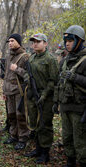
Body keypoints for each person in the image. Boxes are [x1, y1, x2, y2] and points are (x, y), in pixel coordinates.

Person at [24, 33, 59, 164]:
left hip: (47, 97)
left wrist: (44, 95)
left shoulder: (51, 59)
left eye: (38, 42)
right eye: (33, 42)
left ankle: (45, 153)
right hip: (33, 95)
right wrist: (27, 80)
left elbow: (53, 80)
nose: (35, 44)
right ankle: (38, 149)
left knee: (45, 125)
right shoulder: (32, 58)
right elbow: (27, 73)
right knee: (34, 122)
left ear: (45, 43)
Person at [54, 25, 86, 167]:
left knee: (80, 139)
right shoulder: (64, 60)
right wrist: (56, 102)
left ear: (79, 41)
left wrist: (75, 77)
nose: (67, 43)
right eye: (65, 40)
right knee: (67, 137)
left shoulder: (85, 59)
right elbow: (58, 83)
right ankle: (70, 161)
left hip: (80, 107)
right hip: (65, 105)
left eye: (71, 40)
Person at [2, 34, 30, 150]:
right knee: (11, 115)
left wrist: (17, 69)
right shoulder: (8, 56)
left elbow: (29, 76)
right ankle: (13, 135)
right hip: (9, 91)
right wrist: (4, 90)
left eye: (12, 41)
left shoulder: (25, 57)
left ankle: (23, 138)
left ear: (18, 42)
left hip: (20, 91)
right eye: (9, 41)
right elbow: (6, 76)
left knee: (20, 115)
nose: (10, 43)